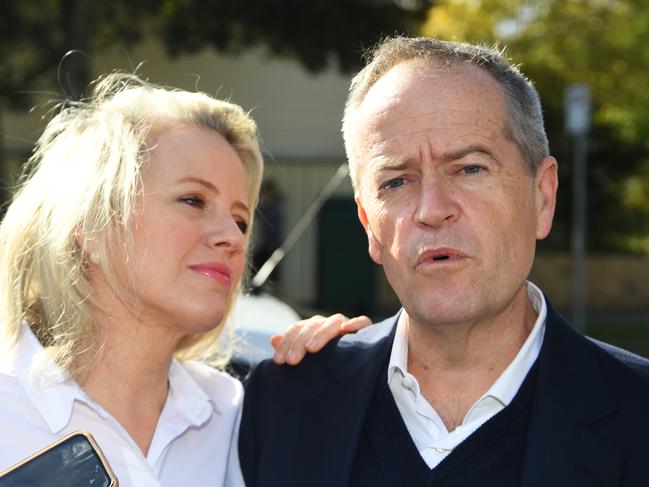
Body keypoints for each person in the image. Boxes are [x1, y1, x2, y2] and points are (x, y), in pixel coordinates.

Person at [238, 37, 649, 486]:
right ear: (367, 225)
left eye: (470, 168)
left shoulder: (637, 413)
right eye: (396, 182)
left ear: (542, 196)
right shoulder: (284, 403)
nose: (432, 209)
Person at [0, 72, 368, 486]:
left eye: (241, 220)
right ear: (91, 223)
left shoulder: (237, 416)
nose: (232, 237)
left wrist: (353, 376)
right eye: (193, 200)